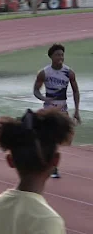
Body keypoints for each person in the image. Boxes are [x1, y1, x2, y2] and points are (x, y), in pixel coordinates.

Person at [33, 43, 81, 179]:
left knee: (65, 139)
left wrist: (76, 110)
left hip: (63, 110)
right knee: (52, 139)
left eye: (62, 54)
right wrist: (43, 98)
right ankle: (53, 167)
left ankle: (46, 160)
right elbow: (36, 90)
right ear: (51, 57)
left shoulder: (69, 72)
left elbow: (76, 91)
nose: (60, 57)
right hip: (49, 111)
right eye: (57, 55)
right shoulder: (44, 72)